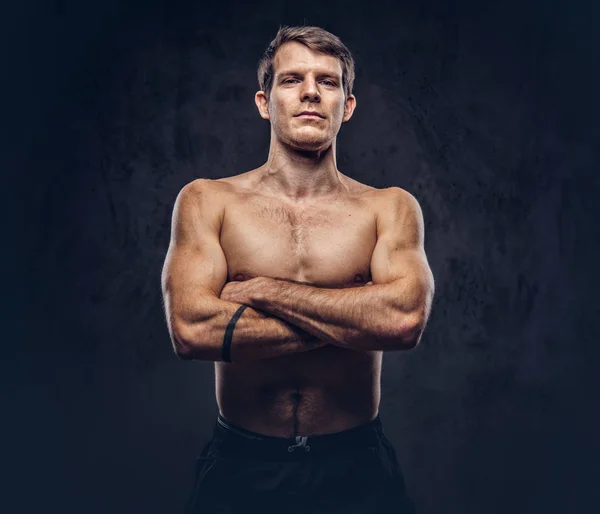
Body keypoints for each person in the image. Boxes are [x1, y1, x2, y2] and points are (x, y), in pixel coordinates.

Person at [161, 25, 435, 514]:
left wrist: (262, 289)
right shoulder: (208, 201)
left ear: (346, 107)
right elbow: (190, 328)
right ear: (265, 102)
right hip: (241, 463)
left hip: (357, 464)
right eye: (292, 80)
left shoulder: (388, 209)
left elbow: (404, 320)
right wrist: (355, 316)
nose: (311, 92)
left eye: (328, 82)